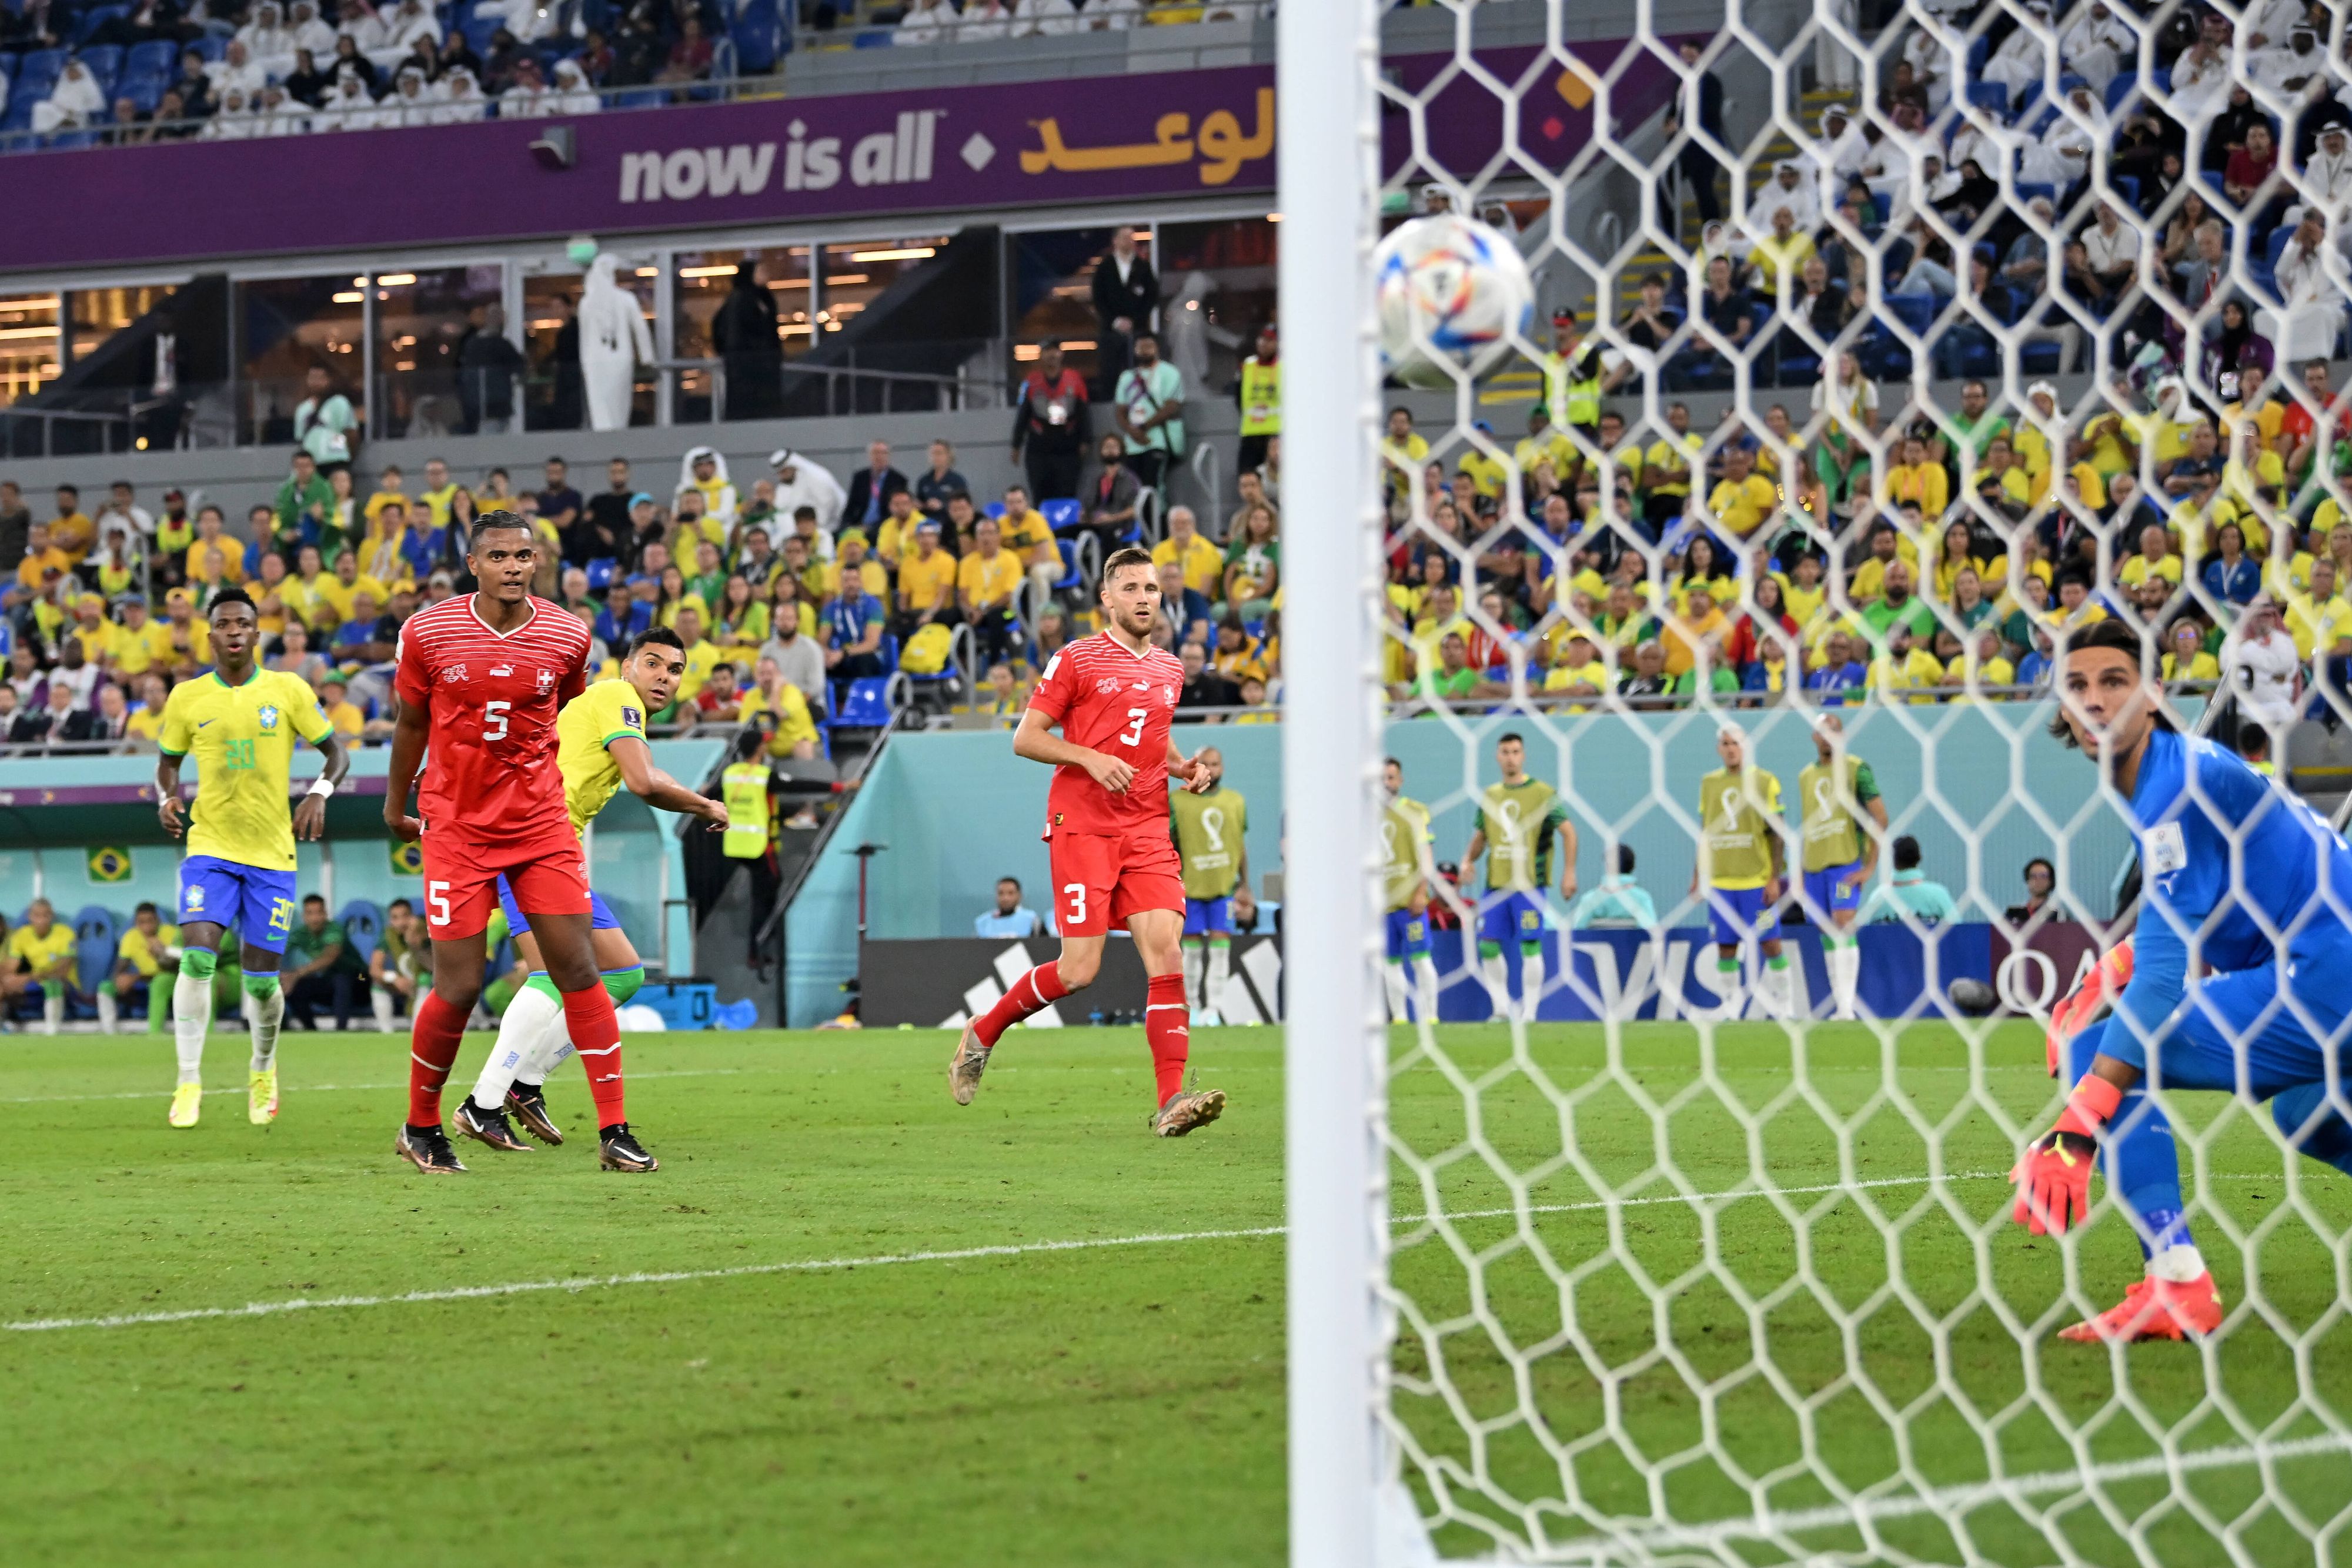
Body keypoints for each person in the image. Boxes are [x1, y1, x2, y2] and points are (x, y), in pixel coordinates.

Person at [2013, 617, 2352, 1340]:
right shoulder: (2177, 771)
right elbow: (2198, 906)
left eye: (2114, 682)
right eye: (2076, 686)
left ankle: (2176, 1283)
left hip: (2321, 976)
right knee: (2306, 1114)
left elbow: (2166, 975)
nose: (2095, 702)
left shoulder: (2171, 784)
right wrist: (2110, 966)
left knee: (2097, 1056)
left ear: (2154, 693)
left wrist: (2076, 1126)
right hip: (2324, 970)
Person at [382, 511, 636, 1175]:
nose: (515, 567)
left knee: (581, 969)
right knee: (459, 986)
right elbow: (411, 722)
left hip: (539, 825)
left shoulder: (568, 634)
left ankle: (616, 1131)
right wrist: (395, 801)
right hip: (457, 828)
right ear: (474, 564)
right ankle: (420, 1126)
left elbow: (561, 711)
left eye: (525, 555)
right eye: (500, 556)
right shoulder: (428, 630)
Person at [948, 546, 1227, 1136]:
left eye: (1150, 589)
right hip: (1083, 825)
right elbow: (1026, 737)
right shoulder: (1075, 658)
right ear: (1107, 598)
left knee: (1167, 951)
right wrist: (1090, 759)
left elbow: (1153, 736)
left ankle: (1172, 1099)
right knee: (1079, 970)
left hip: (1148, 826)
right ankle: (984, 1031)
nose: (1143, 598)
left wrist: (1183, 769)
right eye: (1130, 589)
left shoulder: (1170, 669)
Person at [455, 627, 730, 1152]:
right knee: (554, 974)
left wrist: (696, 796)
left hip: (549, 844)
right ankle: (486, 1099)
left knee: (624, 972)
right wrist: (704, 806)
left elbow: (647, 769)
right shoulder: (615, 695)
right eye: (654, 663)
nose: (664, 678)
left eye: (675, 671)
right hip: (529, 838)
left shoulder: (622, 712)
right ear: (628, 665)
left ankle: (523, 1081)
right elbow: (644, 783)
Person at [154, 587, 350, 1126]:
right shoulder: (187, 697)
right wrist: (166, 796)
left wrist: (319, 793)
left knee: (262, 982)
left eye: (244, 622)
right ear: (211, 634)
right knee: (197, 957)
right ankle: (188, 1078)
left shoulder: (287, 689)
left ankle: (263, 1067)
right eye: (224, 623)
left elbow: (338, 752)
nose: (235, 630)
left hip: (271, 854)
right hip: (210, 847)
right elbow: (167, 764)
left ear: (256, 633)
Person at [1460, 731, 1577, 1024]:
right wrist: (1467, 860)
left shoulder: (1542, 793)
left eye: (1515, 752)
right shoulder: (1491, 796)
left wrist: (1569, 873)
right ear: (1497, 757)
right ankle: (1500, 1008)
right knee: (1487, 944)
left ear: (1523, 756)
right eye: (1505, 752)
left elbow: (1569, 832)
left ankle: (1530, 1012)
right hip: (1496, 884)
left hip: (1529, 885)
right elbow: (1481, 836)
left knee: (1530, 945)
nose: (1511, 757)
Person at [1692, 723, 1792, 1018]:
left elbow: (1778, 833)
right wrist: (1698, 876)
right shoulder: (1709, 783)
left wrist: (1773, 878)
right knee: (1725, 946)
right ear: (1718, 749)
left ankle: (1785, 1006)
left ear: (1746, 746)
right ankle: (1731, 1007)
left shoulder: (1764, 781)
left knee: (1770, 942)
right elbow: (1705, 833)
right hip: (1722, 883)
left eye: (1735, 743)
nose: (1731, 748)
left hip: (1755, 883)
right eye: (1725, 744)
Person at [1796, 712, 1886, 1021]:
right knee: (1825, 928)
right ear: (1813, 737)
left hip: (1846, 861)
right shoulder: (1806, 775)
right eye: (1822, 731)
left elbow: (1881, 819)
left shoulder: (1856, 769)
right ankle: (1840, 1005)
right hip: (1814, 866)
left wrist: (1869, 867)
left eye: (1834, 730)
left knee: (1843, 920)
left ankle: (1847, 1008)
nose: (1828, 736)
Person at [1169, 745, 1248, 1024]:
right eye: (1206, 764)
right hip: (1191, 887)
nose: (1211, 769)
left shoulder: (1235, 801)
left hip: (1223, 888)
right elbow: (1171, 844)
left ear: (1222, 767)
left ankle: (1215, 1007)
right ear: (1196, 767)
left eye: (1216, 764)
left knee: (1220, 947)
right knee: (1189, 952)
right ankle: (1191, 1005)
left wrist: (1245, 885)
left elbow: (1240, 845)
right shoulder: (1178, 801)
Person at [1379, 757, 1442, 1022]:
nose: (1386, 782)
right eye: (1381, 778)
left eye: (1391, 777)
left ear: (1400, 781)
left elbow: (1426, 855)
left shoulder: (1415, 811)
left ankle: (1430, 1016)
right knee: (1390, 963)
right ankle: (1400, 1018)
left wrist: (1421, 892)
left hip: (1410, 903)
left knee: (1420, 960)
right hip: (1382, 906)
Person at [1011, 343, 1088, 504]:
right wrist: (1016, 445)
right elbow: (1023, 414)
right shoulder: (1030, 382)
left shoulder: (1075, 379)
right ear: (1041, 355)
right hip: (1039, 446)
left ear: (1061, 354)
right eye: (1047, 351)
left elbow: (1084, 412)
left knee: (1067, 494)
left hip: (1067, 444)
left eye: (1055, 351)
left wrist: (1086, 440)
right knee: (1040, 494)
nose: (1051, 355)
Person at [1112, 332, 1186, 493]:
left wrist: (1144, 427)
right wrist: (1131, 430)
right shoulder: (1127, 377)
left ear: (1157, 349)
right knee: (1134, 489)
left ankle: (1157, 517)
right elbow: (1120, 411)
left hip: (1157, 440)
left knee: (1153, 486)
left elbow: (1171, 407)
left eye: (1149, 346)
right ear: (1135, 350)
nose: (1145, 351)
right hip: (1132, 443)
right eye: (1141, 347)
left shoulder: (1170, 372)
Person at [1090, 225, 1158, 395]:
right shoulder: (1105, 268)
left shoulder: (1143, 267)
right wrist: (1115, 321)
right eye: (1125, 237)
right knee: (1111, 373)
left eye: (1132, 238)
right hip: (1111, 333)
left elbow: (1152, 297)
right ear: (1115, 241)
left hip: (1137, 333)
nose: (1130, 241)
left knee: (1139, 372)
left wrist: (1134, 321)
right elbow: (1098, 299)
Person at [281, 894, 356, 1031]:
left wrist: (297, 973)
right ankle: (311, 1031)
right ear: (304, 916)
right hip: (330, 985)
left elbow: (329, 957)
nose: (315, 919)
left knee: (341, 979)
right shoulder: (301, 934)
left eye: (319, 913)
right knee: (293, 987)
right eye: (310, 913)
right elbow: (277, 951)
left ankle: (341, 1032)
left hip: (359, 981)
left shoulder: (334, 929)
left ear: (325, 914)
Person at [5, 898, 78, 1035]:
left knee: (53, 984)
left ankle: (52, 1029)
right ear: (30, 917)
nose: (42, 920)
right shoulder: (21, 935)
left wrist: (31, 977)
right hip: (36, 983)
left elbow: (63, 971)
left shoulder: (66, 933)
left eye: (46, 916)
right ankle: (4, 1023)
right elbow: (10, 968)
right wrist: (11, 981)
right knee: (6, 983)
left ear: (52, 916)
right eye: (37, 916)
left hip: (66, 986)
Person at [1858, 837, 1959, 924]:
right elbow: (1958, 929)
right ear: (1920, 858)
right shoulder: (1938, 895)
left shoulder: (1878, 897)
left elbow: (1865, 935)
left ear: (1892, 860)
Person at [369, 897, 429, 1031]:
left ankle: (418, 1032)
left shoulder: (425, 930)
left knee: (425, 980)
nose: (401, 923)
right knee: (378, 983)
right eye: (395, 918)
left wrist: (413, 942)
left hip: (431, 985)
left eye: (405, 916)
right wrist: (394, 979)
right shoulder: (389, 934)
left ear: (412, 916)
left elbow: (434, 967)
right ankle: (387, 1033)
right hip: (406, 983)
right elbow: (374, 969)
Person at [1566, 844, 1659, 929]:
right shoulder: (1642, 898)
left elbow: (1577, 930)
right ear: (1633, 867)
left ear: (1607, 866)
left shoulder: (1591, 899)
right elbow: (1650, 931)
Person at [974, 877, 1046, 938]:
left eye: (1011, 893)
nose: (1005, 898)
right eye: (1001, 893)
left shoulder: (1031, 920)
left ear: (1019, 896)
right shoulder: (983, 923)